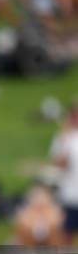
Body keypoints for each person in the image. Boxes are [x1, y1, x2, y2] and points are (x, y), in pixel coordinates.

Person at [50, 104, 78, 244]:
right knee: (67, 234)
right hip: (70, 194)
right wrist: (64, 142)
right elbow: (59, 164)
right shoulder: (64, 137)